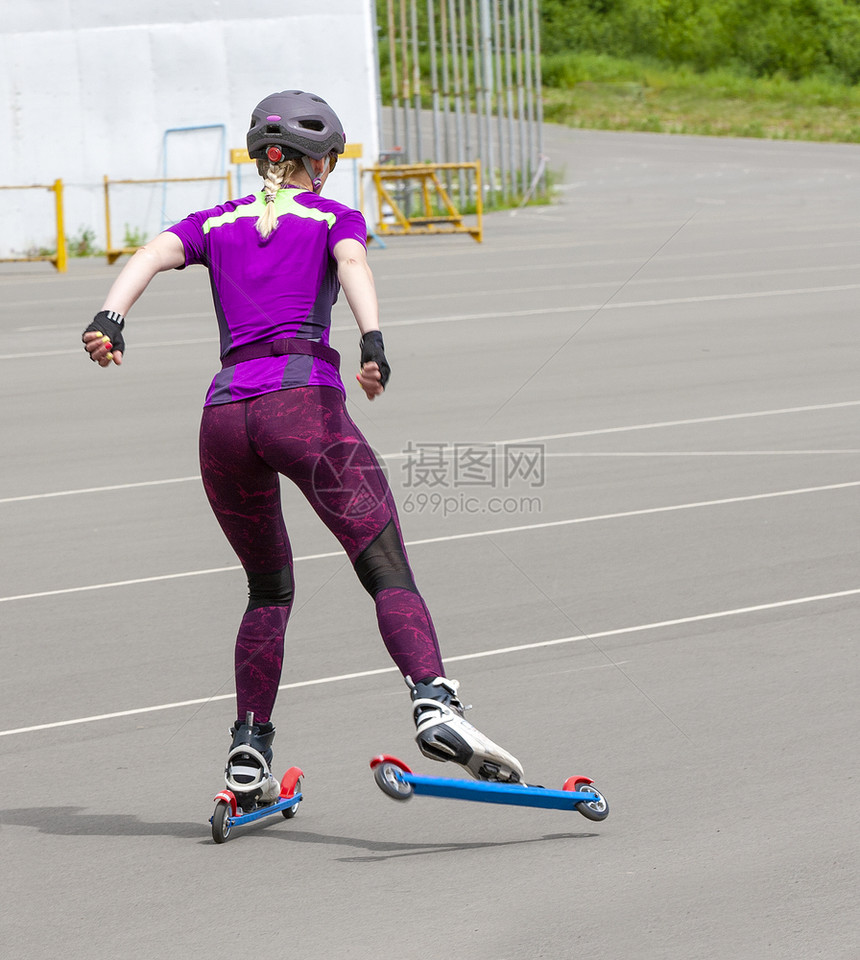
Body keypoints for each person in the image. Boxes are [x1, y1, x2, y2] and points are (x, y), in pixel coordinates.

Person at [82, 89, 523, 810]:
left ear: (262, 156)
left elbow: (153, 253)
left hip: (224, 421)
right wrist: (373, 340)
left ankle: (250, 746)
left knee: (267, 589)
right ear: (311, 164)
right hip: (302, 409)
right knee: (384, 566)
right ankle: (433, 702)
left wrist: (109, 317)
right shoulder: (331, 217)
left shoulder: (215, 221)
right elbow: (353, 265)